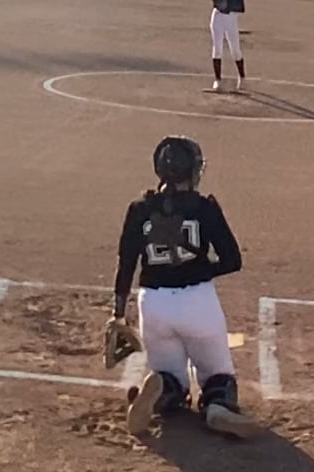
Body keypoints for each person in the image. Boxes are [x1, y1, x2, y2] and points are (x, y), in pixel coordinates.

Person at [113, 136, 256, 439]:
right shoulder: (204, 208)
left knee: (169, 374)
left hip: (152, 305)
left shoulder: (139, 208)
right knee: (217, 375)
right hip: (197, 301)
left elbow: (126, 264)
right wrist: (200, 269)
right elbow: (232, 260)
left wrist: (118, 314)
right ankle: (217, 405)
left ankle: (161, 392)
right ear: (192, 170)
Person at [208, 0, 247, 93]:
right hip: (218, 17)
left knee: (235, 49)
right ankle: (217, 80)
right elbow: (215, 0)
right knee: (217, 48)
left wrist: (231, 1)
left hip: (231, 18)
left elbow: (241, 8)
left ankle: (242, 77)